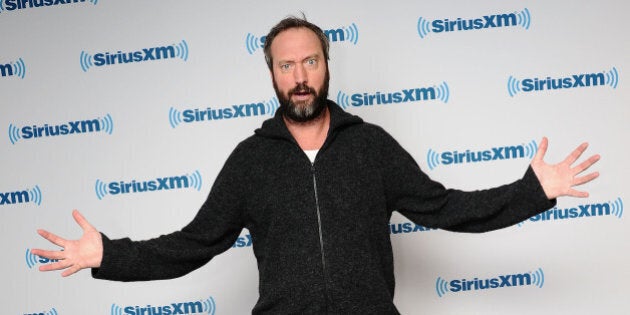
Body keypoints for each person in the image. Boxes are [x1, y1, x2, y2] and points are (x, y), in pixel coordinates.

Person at [32, 16, 600, 314]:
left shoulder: (370, 146)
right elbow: (191, 244)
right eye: (286, 66)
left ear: (326, 66)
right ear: (272, 75)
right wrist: (109, 254)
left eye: (309, 61)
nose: (299, 75)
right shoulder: (252, 161)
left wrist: (533, 190)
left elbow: (446, 207)